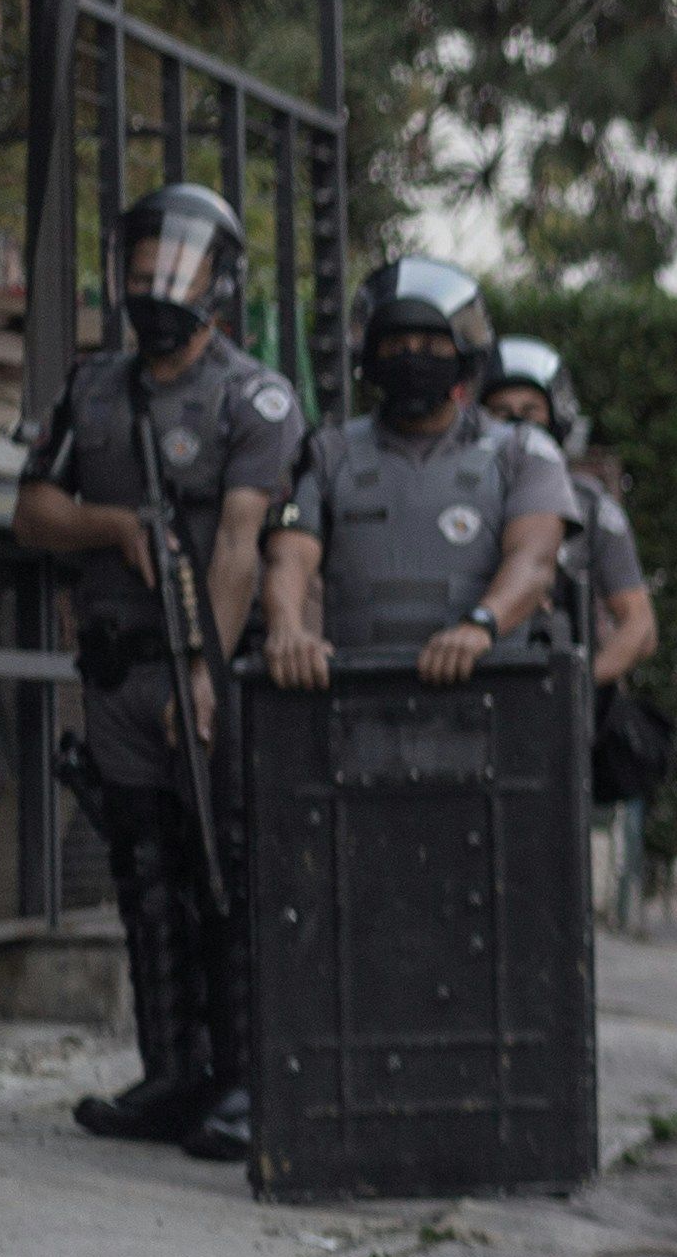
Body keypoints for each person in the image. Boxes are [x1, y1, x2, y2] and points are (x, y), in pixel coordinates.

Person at [243, 255, 582, 1160]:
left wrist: (480, 626)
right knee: (359, 920)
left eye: (434, 344)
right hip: (356, 728)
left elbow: (535, 559)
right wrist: (286, 630)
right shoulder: (329, 451)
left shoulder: (521, 453)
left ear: (467, 356)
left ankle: (488, 1111)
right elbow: (291, 559)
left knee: (484, 920)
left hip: (485, 731)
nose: (414, 358)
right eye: (397, 343)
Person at [14, 184, 300, 1144]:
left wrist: (205, 671)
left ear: (219, 283)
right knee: (143, 870)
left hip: (205, 669)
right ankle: (169, 1072)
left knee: (225, 870)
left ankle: (248, 1081)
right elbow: (31, 513)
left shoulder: (251, 397)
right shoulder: (94, 388)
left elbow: (241, 544)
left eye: (174, 272)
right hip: (116, 674)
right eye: (140, 273)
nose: (156, 290)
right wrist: (112, 525)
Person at [482, 336, 660, 695]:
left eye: (531, 409)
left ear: (556, 415)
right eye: (501, 411)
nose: (518, 422)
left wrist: (578, 688)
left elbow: (639, 626)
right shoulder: (462, 499)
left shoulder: (589, 506)